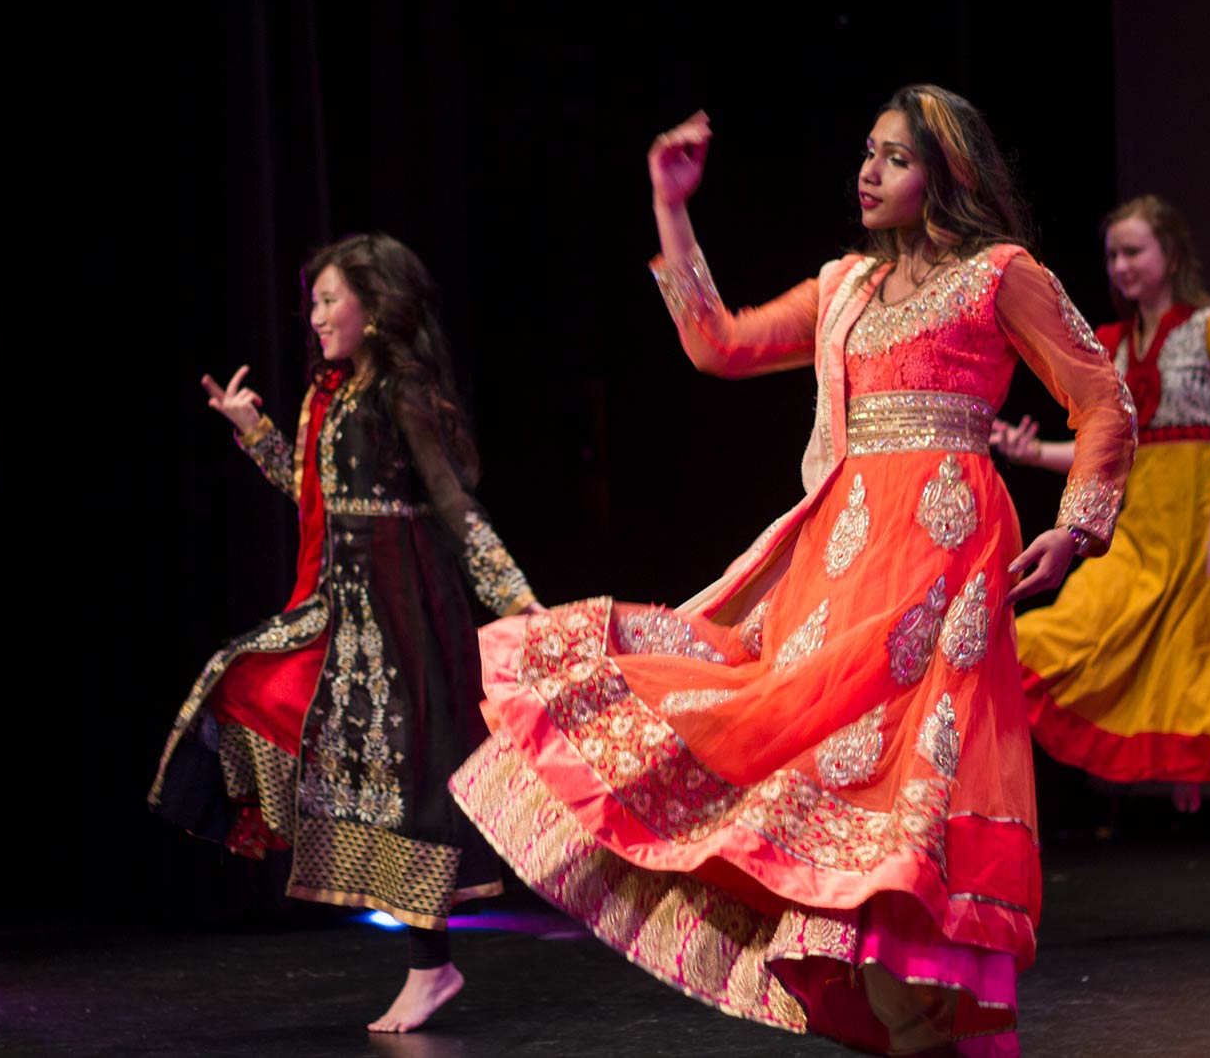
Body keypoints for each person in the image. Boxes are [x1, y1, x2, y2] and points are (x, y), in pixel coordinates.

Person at [448, 89, 1136, 1055]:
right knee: (794, 743)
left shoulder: (998, 274)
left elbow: (1102, 398)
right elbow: (718, 343)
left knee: (919, 787)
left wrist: (1079, 527)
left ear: (949, 174)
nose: (867, 171)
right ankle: (909, 1025)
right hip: (844, 564)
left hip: (947, 566)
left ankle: (933, 1017)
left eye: (894, 158)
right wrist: (671, 208)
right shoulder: (845, 286)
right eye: (867, 152)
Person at [148, 233, 545, 1032]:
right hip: (340, 607)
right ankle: (420, 956)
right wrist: (254, 433)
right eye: (315, 302)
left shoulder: (401, 391)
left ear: (377, 303)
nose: (318, 315)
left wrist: (519, 600)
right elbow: (314, 494)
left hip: (405, 615)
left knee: (413, 793)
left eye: (332, 299)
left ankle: (431, 968)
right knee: (245, 682)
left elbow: (454, 508)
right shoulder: (329, 394)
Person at [994, 195, 1210, 934]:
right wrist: (1037, 454)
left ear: (1171, 256)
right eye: (1114, 255)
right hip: (1140, 538)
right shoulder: (1112, 343)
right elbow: (1119, 447)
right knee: (1041, 645)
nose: (1121, 266)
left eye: (1135, 252)